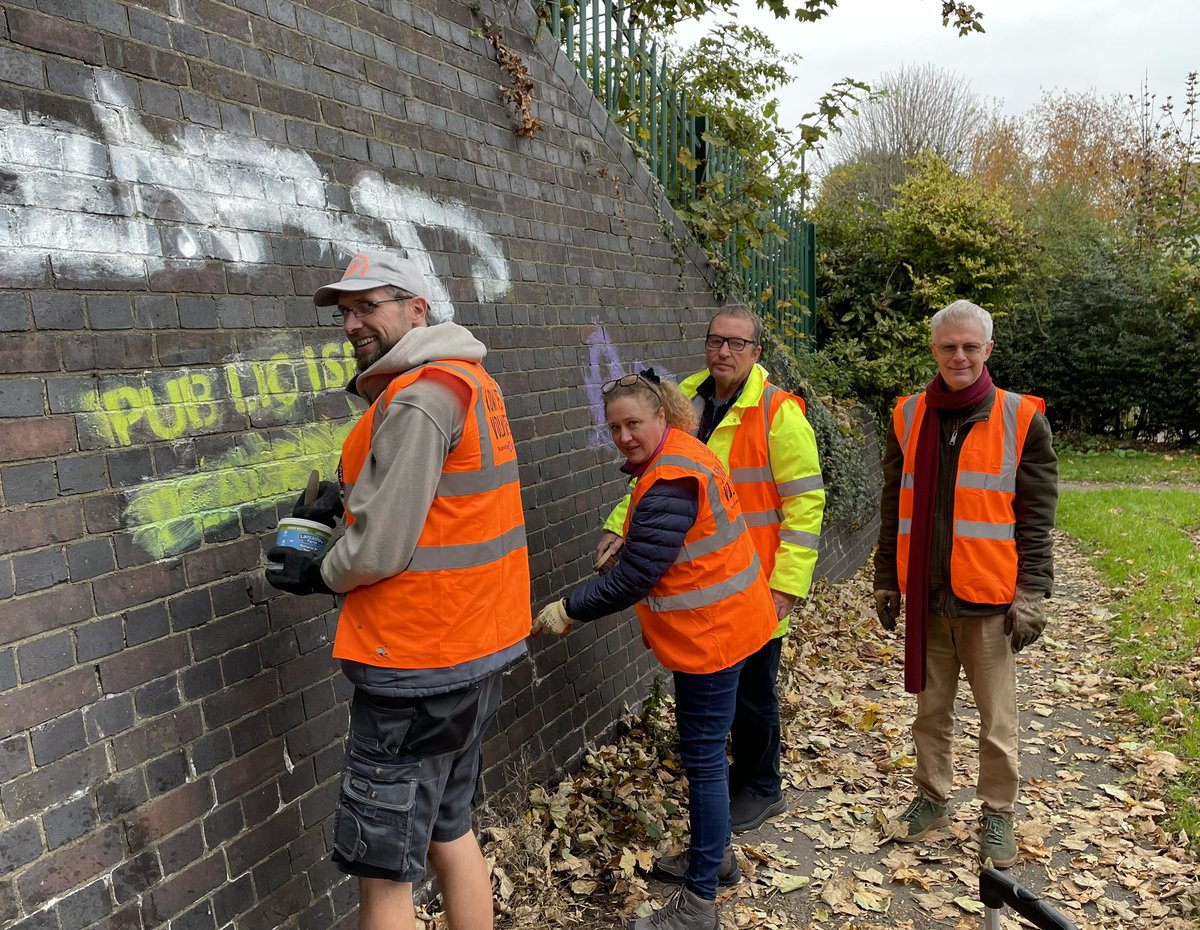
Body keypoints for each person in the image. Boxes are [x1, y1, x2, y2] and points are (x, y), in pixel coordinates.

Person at [265, 249, 531, 930]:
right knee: (449, 827)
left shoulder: (416, 399)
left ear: (417, 309)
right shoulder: (470, 382)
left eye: (369, 305)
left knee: (383, 867)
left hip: (416, 665)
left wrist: (318, 570)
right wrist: (353, 499)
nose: (353, 322)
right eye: (345, 311)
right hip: (477, 653)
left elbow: (381, 547)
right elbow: (442, 505)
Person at [534, 370, 778, 930]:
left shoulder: (670, 477)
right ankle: (714, 862)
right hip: (733, 621)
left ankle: (698, 905)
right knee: (709, 755)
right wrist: (630, 530)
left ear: (660, 417)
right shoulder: (684, 452)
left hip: (711, 636)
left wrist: (567, 610)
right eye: (614, 426)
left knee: (704, 760)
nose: (623, 436)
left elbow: (637, 576)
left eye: (633, 423)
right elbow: (660, 535)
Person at [596, 306, 825, 845]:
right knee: (720, 700)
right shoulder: (684, 402)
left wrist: (787, 588)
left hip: (754, 582)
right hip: (704, 581)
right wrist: (618, 525)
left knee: (753, 692)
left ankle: (762, 785)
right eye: (715, 340)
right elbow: (653, 475)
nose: (724, 351)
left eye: (737, 344)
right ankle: (723, 794)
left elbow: (806, 505)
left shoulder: (778, 414)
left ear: (756, 353)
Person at [873, 299, 1058, 869]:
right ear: (934, 349)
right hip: (927, 597)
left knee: (996, 719)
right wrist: (886, 578)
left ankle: (998, 812)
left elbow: (1036, 514)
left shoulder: (1020, 417)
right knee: (931, 712)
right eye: (948, 346)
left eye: (969, 346)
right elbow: (892, 504)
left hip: (987, 600)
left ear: (988, 351)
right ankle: (931, 797)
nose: (959, 355)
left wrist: (1031, 592)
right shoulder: (908, 415)